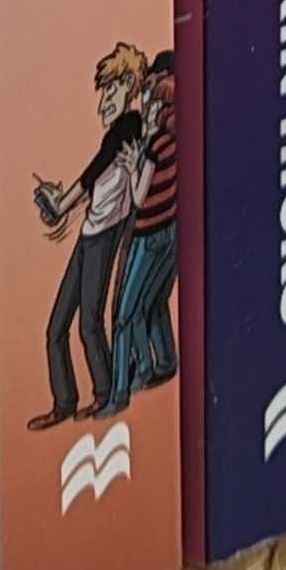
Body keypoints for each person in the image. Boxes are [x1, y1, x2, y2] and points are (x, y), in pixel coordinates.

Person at [31, 41, 149, 423]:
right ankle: (64, 402)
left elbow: (93, 173)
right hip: (89, 232)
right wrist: (59, 203)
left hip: (104, 234)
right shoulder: (119, 130)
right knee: (56, 327)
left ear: (128, 84)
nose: (104, 102)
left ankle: (106, 392)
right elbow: (96, 179)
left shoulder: (130, 126)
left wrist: (60, 204)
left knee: (89, 323)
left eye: (111, 89)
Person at [108, 48, 179, 401]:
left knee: (126, 311)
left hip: (148, 231)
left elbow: (138, 197)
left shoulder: (155, 144)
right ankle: (164, 362)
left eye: (152, 94)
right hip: (171, 229)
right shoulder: (177, 135)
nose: (146, 100)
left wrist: (135, 161)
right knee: (155, 300)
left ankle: (124, 386)